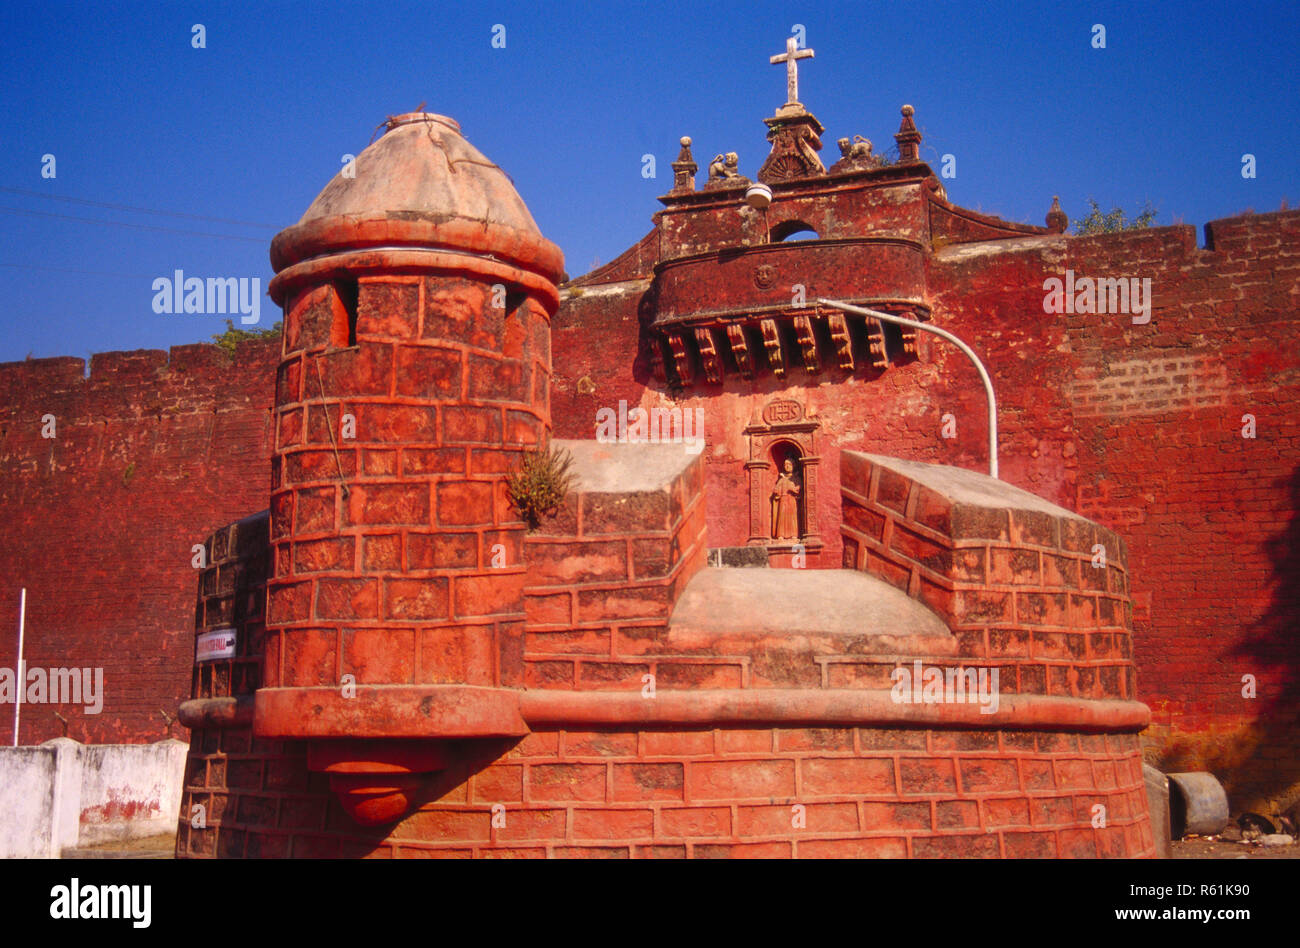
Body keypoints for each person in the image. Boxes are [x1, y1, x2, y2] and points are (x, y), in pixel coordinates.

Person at [770, 458, 801, 539]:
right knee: (782, 517)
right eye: (785, 465)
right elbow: (776, 489)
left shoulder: (796, 478)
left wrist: (794, 490)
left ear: (794, 466)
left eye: (789, 464)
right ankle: (781, 535)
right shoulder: (782, 479)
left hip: (792, 500)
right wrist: (776, 492)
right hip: (783, 500)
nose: (787, 466)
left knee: (792, 517)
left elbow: (799, 488)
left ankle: (794, 534)